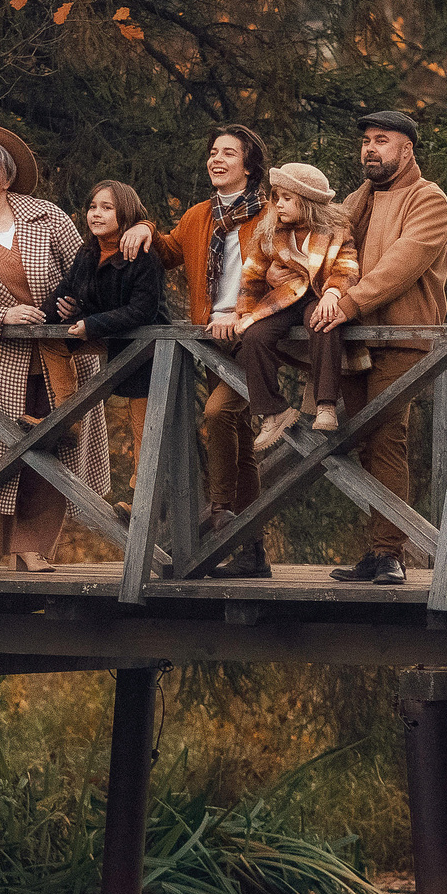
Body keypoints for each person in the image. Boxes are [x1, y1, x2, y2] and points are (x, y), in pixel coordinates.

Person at [0, 124, 110, 572]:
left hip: (61, 356)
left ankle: (32, 546)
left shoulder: (45, 217)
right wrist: (1, 318)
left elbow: (87, 270)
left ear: (7, 178)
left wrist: (75, 302)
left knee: (57, 444)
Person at [114, 124, 273, 578]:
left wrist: (244, 314)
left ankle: (220, 514)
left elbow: (285, 278)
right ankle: (252, 550)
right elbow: (166, 251)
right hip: (210, 341)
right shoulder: (199, 215)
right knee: (239, 442)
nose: (216, 159)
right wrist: (144, 226)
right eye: (212, 152)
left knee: (219, 414)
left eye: (228, 153)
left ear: (249, 164)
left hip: (253, 336)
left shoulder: (271, 214)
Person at [320, 109, 447, 585]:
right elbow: (320, 236)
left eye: (382, 140)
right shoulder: (361, 199)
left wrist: (349, 301)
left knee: (386, 435)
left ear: (406, 149)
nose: (370, 148)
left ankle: (390, 553)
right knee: (358, 442)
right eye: (366, 142)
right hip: (354, 338)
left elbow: (403, 263)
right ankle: (378, 551)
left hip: (400, 337)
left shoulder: (428, 198)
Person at [220, 162, 362, 453]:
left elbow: (347, 266)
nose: (279, 204)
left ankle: (326, 404)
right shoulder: (271, 230)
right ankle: (273, 410)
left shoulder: (335, 229)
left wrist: (334, 294)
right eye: (277, 197)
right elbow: (252, 274)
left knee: (324, 322)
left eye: (287, 198)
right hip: (284, 298)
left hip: (320, 295)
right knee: (255, 336)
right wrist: (244, 312)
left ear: (307, 202)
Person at [49, 180, 167, 450]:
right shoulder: (88, 252)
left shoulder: (143, 255)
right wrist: (49, 312)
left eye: (106, 208)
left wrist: (91, 324)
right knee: (50, 341)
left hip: (146, 348)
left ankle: (142, 490)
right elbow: (65, 290)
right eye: (92, 207)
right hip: (110, 338)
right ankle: (68, 421)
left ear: (125, 213)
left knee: (144, 438)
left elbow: (143, 310)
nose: (96, 214)